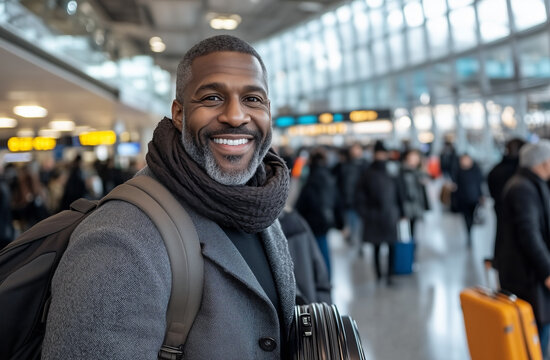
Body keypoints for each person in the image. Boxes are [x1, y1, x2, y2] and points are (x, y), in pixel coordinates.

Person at [42, 35, 294, 359]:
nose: (236, 116)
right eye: (213, 97)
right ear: (179, 113)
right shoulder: (119, 238)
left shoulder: (260, 204)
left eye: (253, 99)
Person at [499, 140, 550, 358]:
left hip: (526, 272)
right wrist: (547, 270)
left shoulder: (528, 183)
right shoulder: (523, 188)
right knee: (534, 333)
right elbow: (529, 234)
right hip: (527, 275)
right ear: (544, 163)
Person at [355, 140, 403, 286]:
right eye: (379, 153)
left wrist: (401, 211)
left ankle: (390, 275)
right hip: (374, 215)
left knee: (392, 245)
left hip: (390, 215)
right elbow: (359, 196)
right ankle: (378, 275)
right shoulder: (367, 173)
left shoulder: (391, 171)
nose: (381, 156)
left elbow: (399, 192)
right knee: (376, 247)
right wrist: (365, 214)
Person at [295, 147, 338, 279]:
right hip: (325, 219)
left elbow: (302, 202)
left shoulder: (310, 179)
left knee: (314, 250)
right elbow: (336, 199)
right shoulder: (329, 177)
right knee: (324, 248)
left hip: (311, 220)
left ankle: (318, 277)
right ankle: (327, 277)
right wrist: (340, 221)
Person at [487, 138, 525, 270]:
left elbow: (491, 192)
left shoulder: (495, 170)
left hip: (500, 212)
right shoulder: (521, 174)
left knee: (502, 238)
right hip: (519, 217)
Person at [452, 154, 484, 248]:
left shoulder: (476, 171)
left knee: (472, 216)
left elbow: (479, 185)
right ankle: (469, 234)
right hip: (463, 198)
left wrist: (481, 196)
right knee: (466, 218)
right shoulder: (458, 171)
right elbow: (455, 185)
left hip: (474, 198)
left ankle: (471, 231)